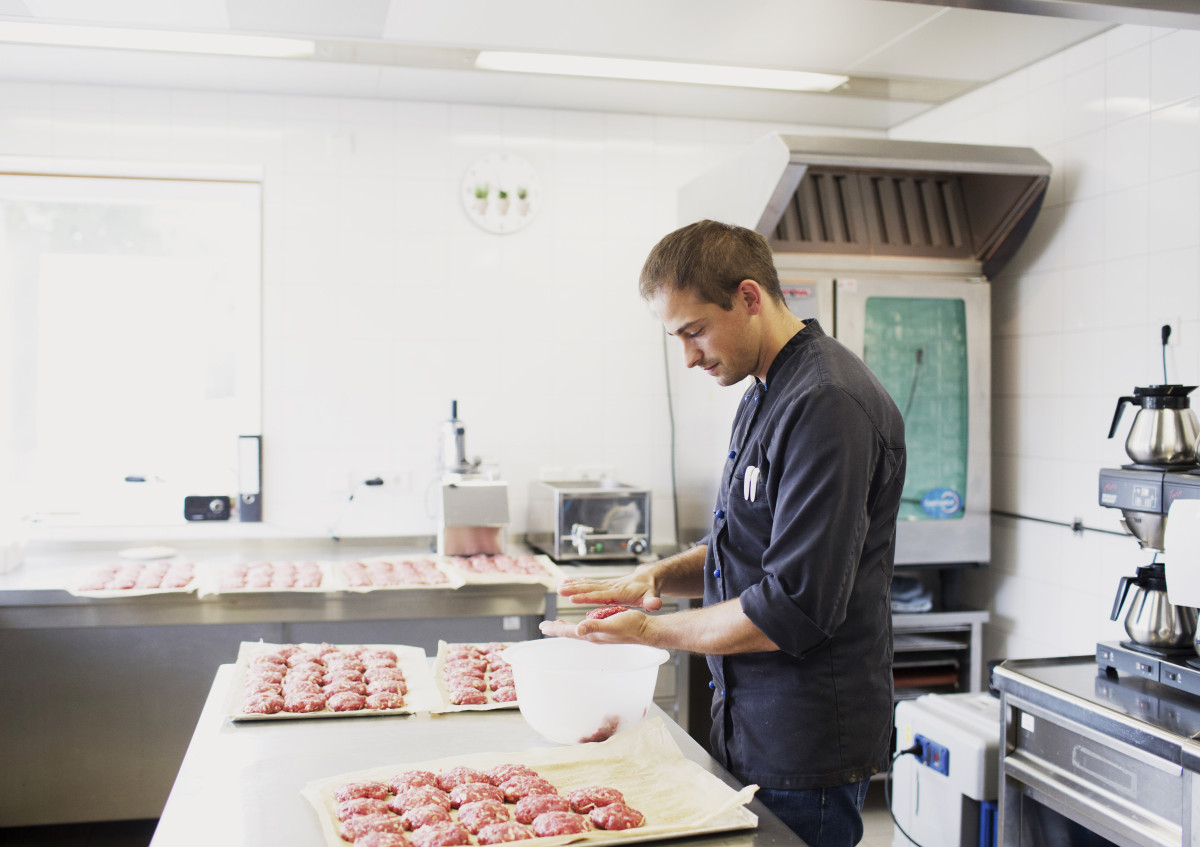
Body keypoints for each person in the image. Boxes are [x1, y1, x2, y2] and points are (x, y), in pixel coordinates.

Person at [540, 220, 906, 847]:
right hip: (751, 722)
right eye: (676, 337)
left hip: (805, 740)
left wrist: (650, 632)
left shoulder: (827, 402)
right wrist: (657, 576)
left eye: (695, 330)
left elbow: (793, 607)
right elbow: (748, 539)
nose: (688, 356)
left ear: (749, 297)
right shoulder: (765, 390)